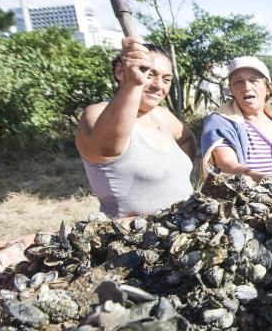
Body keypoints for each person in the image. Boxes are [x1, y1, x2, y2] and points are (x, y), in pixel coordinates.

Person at [76, 37, 196, 219]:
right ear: (120, 71)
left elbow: (187, 139)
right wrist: (133, 83)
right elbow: (107, 148)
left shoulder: (162, 115)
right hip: (131, 239)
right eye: (149, 74)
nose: (158, 85)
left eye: (166, 79)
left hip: (185, 230)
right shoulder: (95, 113)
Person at [200, 56, 272, 183]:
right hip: (245, 200)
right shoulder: (220, 122)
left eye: (253, 80)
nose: (246, 87)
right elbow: (225, 164)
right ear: (231, 88)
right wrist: (258, 177)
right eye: (238, 81)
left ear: (267, 87)